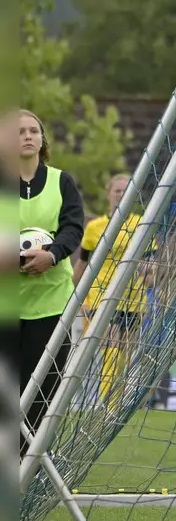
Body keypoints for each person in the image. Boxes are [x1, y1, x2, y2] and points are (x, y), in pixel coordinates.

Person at [15, 110, 87, 434]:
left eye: (34, 130)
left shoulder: (62, 182)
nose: (28, 136)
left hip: (52, 305)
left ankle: (30, 465)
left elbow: (73, 229)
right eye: (20, 132)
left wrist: (52, 254)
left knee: (44, 394)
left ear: (42, 140)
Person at [77, 172, 144, 401]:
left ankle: (119, 398)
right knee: (111, 344)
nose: (121, 195)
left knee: (126, 351)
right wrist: (76, 297)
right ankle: (108, 403)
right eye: (117, 191)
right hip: (101, 297)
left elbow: (151, 261)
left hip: (134, 299)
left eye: (126, 191)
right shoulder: (95, 227)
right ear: (109, 195)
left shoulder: (141, 224)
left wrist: (153, 273)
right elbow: (83, 264)